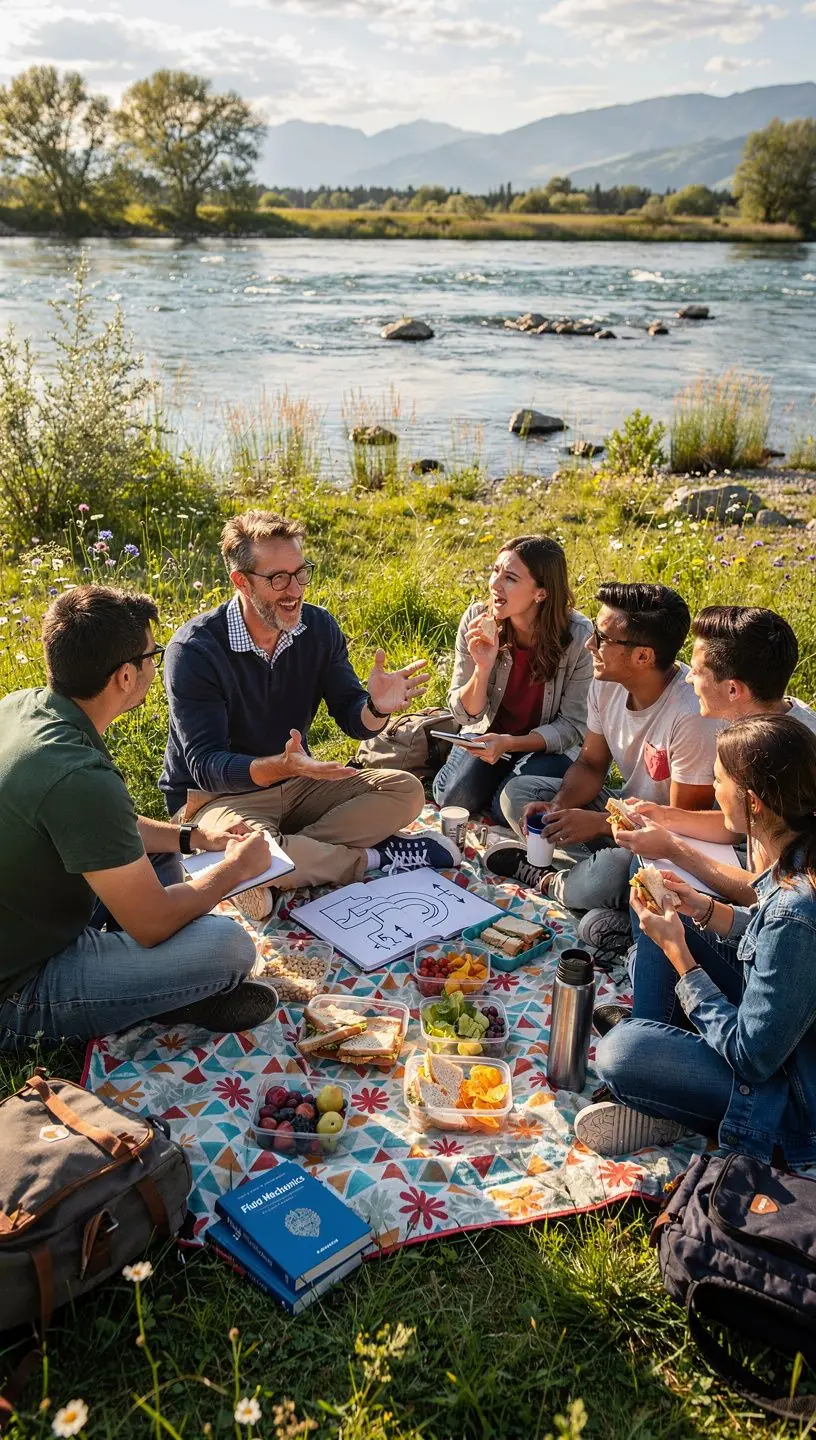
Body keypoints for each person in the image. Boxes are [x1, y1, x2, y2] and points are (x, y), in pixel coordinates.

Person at [0, 585, 277, 1052]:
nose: (156, 664)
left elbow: (100, 828)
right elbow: (150, 922)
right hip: (18, 988)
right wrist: (237, 869)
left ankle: (151, 988)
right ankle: (163, 997)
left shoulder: (25, 707)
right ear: (126, 676)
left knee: (164, 866)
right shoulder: (79, 777)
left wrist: (193, 838)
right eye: (154, 654)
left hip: (30, 911)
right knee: (228, 947)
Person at [161, 510, 458, 921]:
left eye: (301, 574)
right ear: (241, 582)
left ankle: (268, 866)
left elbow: (352, 719)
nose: (294, 590)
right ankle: (370, 859)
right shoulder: (195, 651)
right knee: (257, 845)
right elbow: (206, 766)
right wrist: (280, 766)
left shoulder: (317, 627)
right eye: (278, 578)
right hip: (215, 798)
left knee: (405, 791)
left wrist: (375, 707)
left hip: (297, 781)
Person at [575, 714, 816, 1160]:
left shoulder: (797, 908)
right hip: (780, 1035)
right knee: (670, 912)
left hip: (789, 1103)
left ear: (755, 802)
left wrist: (680, 957)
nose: (713, 787)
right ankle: (662, 1070)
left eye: (719, 780)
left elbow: (752, 1058)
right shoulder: (799, 858)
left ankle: (655, 1089)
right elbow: (775, 948)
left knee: (621, 1052)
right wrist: (704, 909)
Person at [486, 582, 720, 947]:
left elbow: (677, 829)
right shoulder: (608, 681)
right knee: (520, 791)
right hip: (623, 814)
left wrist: (599, 825)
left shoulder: (691, 715)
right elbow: (592, 764)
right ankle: (598, 891)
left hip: (667, 846)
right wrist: (560, 807)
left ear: (643, 657)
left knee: (613, 870)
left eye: (601, 637)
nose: (589, 644)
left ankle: (554, 882)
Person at [615, 605, 816, 904]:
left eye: (697, 671)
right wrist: (664, 816)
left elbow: (772, 898)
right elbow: (739, 824)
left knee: (656, 880)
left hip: (774, 917)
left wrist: (672, 847)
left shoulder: (781, 756)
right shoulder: (763, 718)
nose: (688, 679)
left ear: (734, 690)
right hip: (761, 890)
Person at [433, 535, 592, 822]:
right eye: (495, 571)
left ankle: (507, 779)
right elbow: (464, 715)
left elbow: (573, 727)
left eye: (510, 578)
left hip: (545, 746)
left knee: (507, 808)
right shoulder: (477, 620)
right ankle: (491, 776)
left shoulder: (580, 638)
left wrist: (509, 743)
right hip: (485, 734)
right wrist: (483, 668)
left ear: (541, 593)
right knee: (453, 801)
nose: (494, 584)